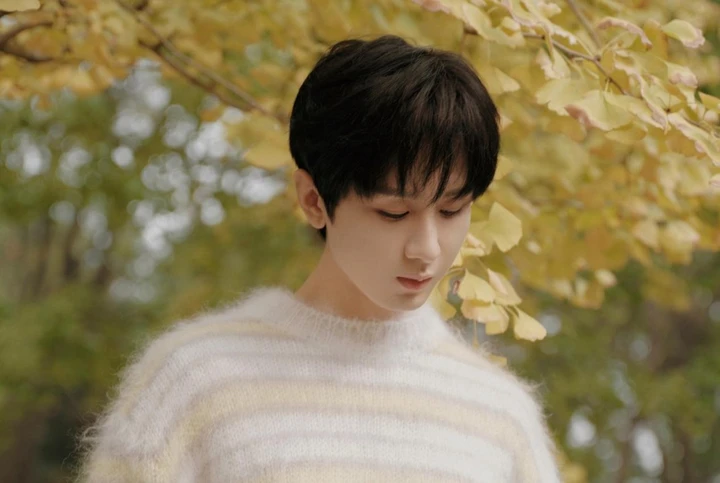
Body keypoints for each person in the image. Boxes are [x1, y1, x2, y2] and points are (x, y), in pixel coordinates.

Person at [76, 35, 562, 482]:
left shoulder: (500, 414)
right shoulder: (194, 380)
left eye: (452, 210)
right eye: (394, 213)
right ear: (313, 201)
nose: (428, 248)